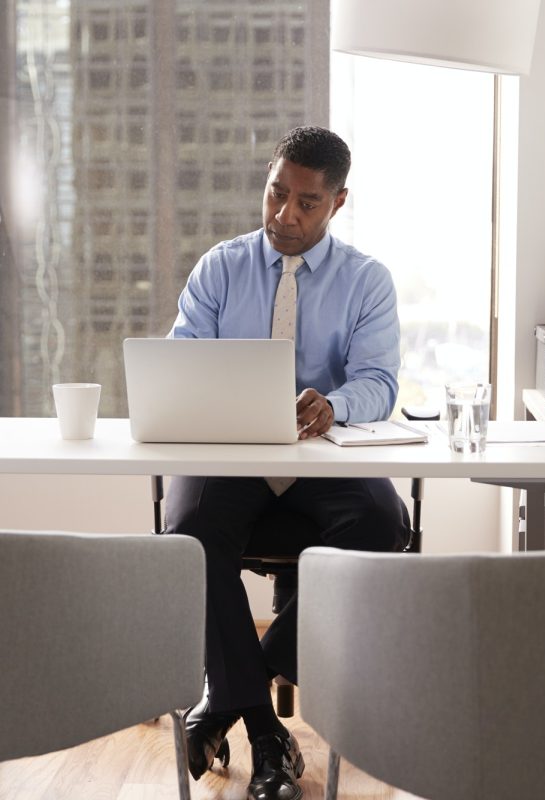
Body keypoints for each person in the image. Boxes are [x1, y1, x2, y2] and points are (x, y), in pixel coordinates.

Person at [165, 125, 410, 800]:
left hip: (321, 462)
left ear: (337, 203)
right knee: (187, 532)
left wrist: (332, 404)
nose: (284, 215)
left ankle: (223, 702)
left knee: (383, 525)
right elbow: (180, 362)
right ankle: (269, 737)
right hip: (234, 458)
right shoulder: (221, 268)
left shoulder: (367, 281)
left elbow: (381, 384)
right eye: (276, 194)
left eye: (306, 202)